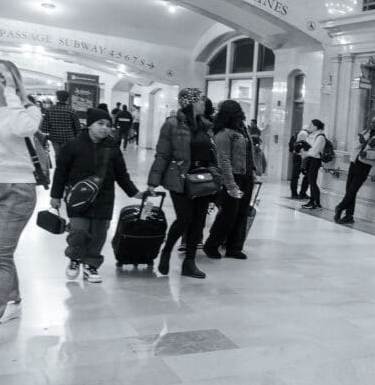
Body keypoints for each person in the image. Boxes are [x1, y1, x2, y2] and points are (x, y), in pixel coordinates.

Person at [0, 59, 42, 345]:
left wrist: (9, 96)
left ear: (13, 81)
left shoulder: (28, 110)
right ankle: (14, 300)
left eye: (1, 76)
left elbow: (22, 129)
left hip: (17, 188)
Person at [50, 108, 144, 283]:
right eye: (100, 124)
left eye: (108, 125)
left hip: (104, 198)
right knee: (78, 231)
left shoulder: (112, 147)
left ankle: (91, 265)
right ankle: (74, 258)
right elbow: (61, 172)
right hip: (78, 198)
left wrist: (134, 192)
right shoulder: (73, 146)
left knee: (99, 234)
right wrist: (55, 195)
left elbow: (121, 174)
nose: (105, 128)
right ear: (89, 125)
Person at [147, 88, 218, 279]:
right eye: (200, 100)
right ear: (190, 103)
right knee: (184, 219)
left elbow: (212, 155)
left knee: (198, 222)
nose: (204, 103)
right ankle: (167, 251)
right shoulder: (172, 124)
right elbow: (162, 154)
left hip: (202, 179)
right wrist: (153, 182)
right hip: (180, 177)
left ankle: (190, 262)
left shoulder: (206, 125)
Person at [204, 100, 257, 260]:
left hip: (246, 177)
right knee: (228, 214)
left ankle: (234, 247)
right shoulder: (223, 133)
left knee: (241, 213)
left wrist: (253, 171)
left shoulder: (243, 130)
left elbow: (250, 152)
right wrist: (231, 185)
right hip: (232, 177)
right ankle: (212, 244)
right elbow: (224, 160)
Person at [334, 113, 375, 224]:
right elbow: (354, 145)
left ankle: (340, 207)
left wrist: (368, 154)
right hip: (354, 161)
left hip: (364, 164)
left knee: (353, 189)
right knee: (349, 189)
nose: (373, 124)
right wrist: (359, 142)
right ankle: (349, 216)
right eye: (372, 122)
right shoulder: (366, 132)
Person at [39, 88, 79, 160]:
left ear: (57, 97)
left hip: (55, 138)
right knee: (67, 156)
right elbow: (77, 127)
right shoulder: (71, 110)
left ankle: (58, 169)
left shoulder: (50, 110)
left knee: (57, 155)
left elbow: (44, 128)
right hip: (68, 138)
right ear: (67, 99)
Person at [300, 119, 330, 211]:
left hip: (315, 161)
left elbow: (314, 151)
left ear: (316, 127)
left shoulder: (320, 137)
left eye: (311, 125)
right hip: (311, 160)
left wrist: (305, 153)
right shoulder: (313, 135)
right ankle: (312, 201)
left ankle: (317, 203)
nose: (309, 126)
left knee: (312, 182)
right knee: (310, 181)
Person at [289, 124, 310, 199]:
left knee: (297, 175)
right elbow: (304, 147)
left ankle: (297, 193)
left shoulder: (301, 133)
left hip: (298, 156)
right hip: (300, 157)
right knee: (298, 175)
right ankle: (298, 193)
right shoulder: (304, 134)